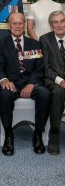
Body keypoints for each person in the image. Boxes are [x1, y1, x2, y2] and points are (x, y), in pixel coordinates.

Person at [0, 12, 51, 156]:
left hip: (30, 83)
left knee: (45, 94)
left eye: (20, 23)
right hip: (11, 83)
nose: (17, 26)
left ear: (25, 25)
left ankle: (38, 134)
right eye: (14, 23)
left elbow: (40, 67)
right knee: (5, 96)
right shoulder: (1, 43)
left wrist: (32, 84)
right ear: (9, 25)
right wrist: (4, 80)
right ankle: (8, 135)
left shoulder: (34, 43)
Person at [39, 10, 65, 155]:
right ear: (50, 25)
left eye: (62, 21)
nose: (59, 25)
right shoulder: (45, 39)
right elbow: (45, 67)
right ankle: (54, 134)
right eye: (55, 22)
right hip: (53, 79)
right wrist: (61, 81)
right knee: (58, 92)